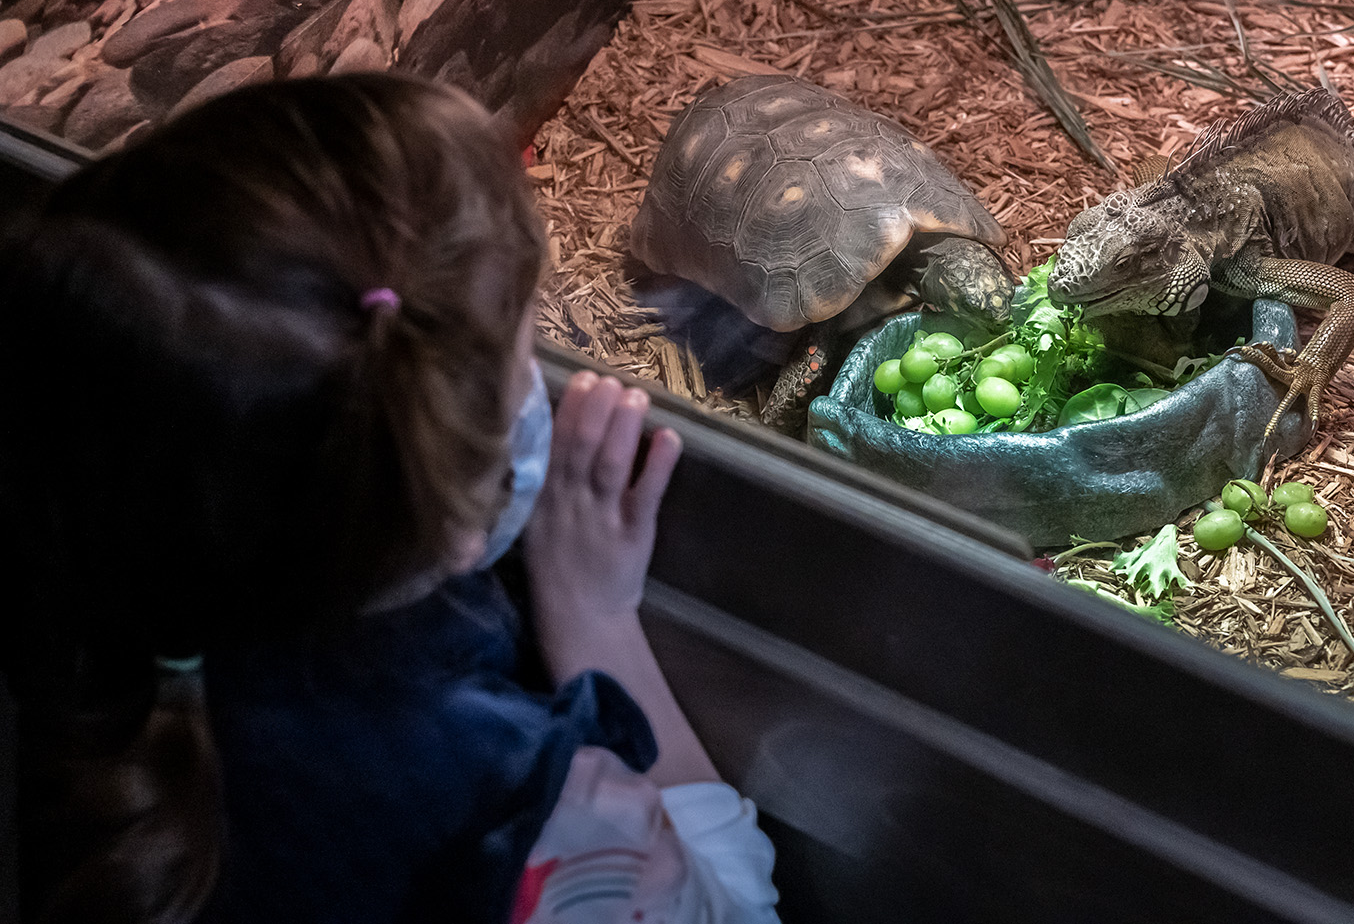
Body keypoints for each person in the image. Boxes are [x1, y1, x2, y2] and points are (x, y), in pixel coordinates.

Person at [0, 74, 781, 923]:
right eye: (527, 361)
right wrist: (596, 624)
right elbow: (739, 906)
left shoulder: (78, 617)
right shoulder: (540, 815)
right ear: (453, 512)